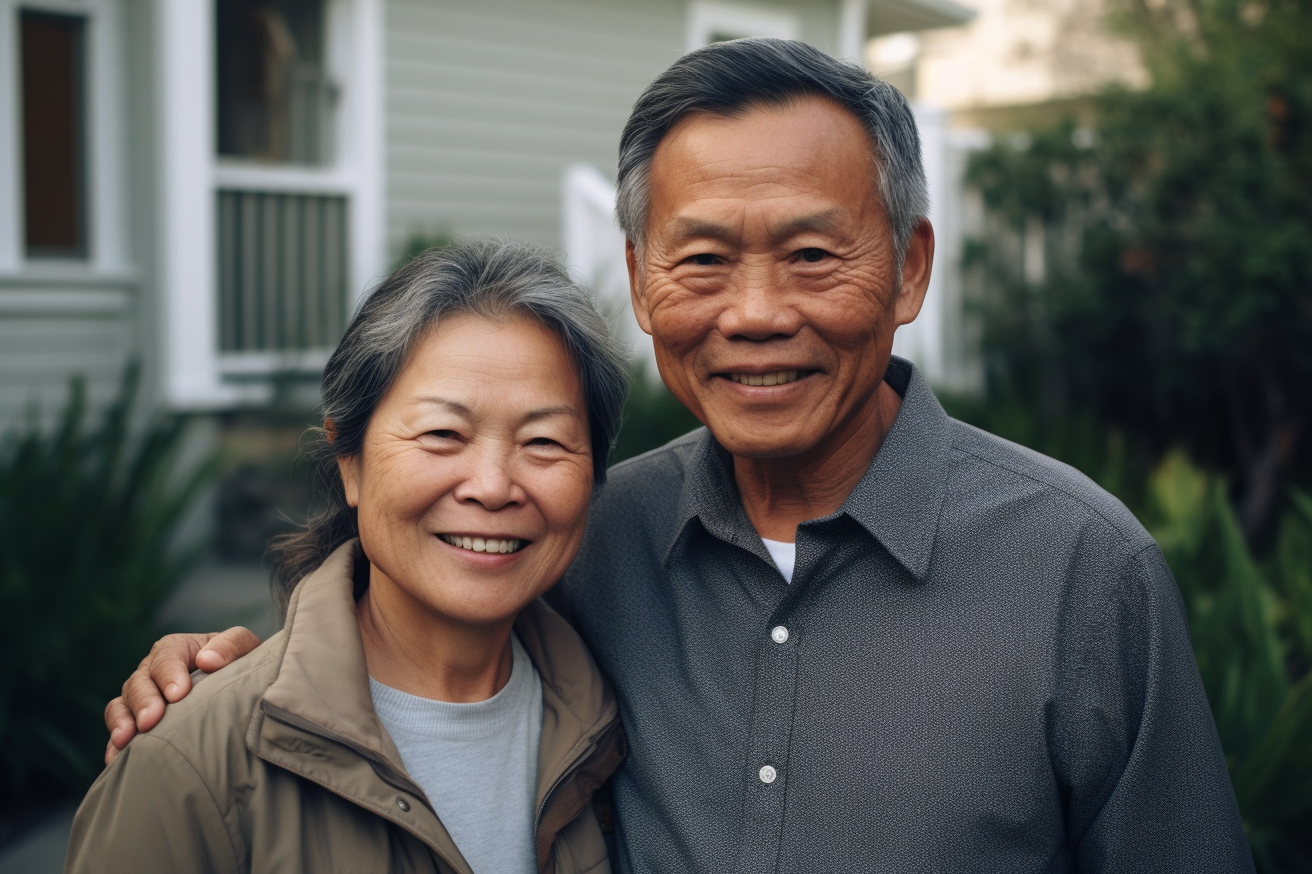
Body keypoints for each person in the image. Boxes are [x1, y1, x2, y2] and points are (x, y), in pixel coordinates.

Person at [104, 39, 1255, 873]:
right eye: (701, 259)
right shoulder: (584, 537)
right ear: (641, 275)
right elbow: (400, 632)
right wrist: (217, 685)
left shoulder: (1080, 574)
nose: (753, 313)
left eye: (812, 253)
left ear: (908, 267)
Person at [70, 240, 629, 873]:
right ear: (349, 462)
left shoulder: (615, 719)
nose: (494, 486)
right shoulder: (193, 768)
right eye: (443, 434)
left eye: (544, 441)